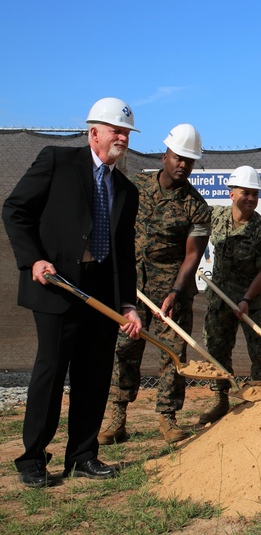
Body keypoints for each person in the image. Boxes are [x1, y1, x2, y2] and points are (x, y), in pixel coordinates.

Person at [2, 97, 142, 487]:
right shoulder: (57, 161)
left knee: (94, 374)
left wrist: (127, 303)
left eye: (127, 132)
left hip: (100, 292)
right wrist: (34, 259)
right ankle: (32, 459)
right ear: (93, 132)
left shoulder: (126, 191)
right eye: (117, 130)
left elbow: (124, 252)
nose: (123, 138)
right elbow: (15, 209)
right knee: (52, 368)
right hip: (57, 286)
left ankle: (82, 455)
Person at [100, 124, 211, 445]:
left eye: (190, 160)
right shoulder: (135, 187)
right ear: (165, 155)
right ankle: (117, 418)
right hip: (130, 290)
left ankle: (167, 418)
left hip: (171, 293)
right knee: (124, 349)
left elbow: (193, 256)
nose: (183, 165)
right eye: (179, 157)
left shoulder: (196, 207)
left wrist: (176, 292)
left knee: (172, 354)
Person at [197, 166, 261, 424]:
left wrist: (245, 300)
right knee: (217, 348)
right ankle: (220, 400)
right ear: (231, 193)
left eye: (255, 194)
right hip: (220, 297)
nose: (251, 199)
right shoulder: (216, 217)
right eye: (246, 192)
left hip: (251, 300)